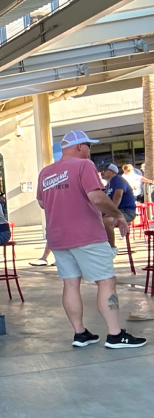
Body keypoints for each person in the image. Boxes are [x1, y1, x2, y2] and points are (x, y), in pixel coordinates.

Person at [37, 130, 146, 349]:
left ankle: (80, 333)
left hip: (58, 237)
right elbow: (96, 197)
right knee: (106, 281)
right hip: (86, 234)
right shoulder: (84, 166)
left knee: (70, 283)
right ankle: (115, 335)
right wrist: (117, 215)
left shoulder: (46, 172)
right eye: (88, 145)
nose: (89, 150)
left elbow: (41, 202)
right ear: (79, 146)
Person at [98, 163, 136, 248]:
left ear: (112, 171)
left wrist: (109, 213)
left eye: (105, 170)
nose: (102, 172)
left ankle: (111, 248)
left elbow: (118, 196)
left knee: (106, 221)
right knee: (95, 220)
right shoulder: (108, 184)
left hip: (126, 211)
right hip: (117, 212)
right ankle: (102, 247)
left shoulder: (118, 179)